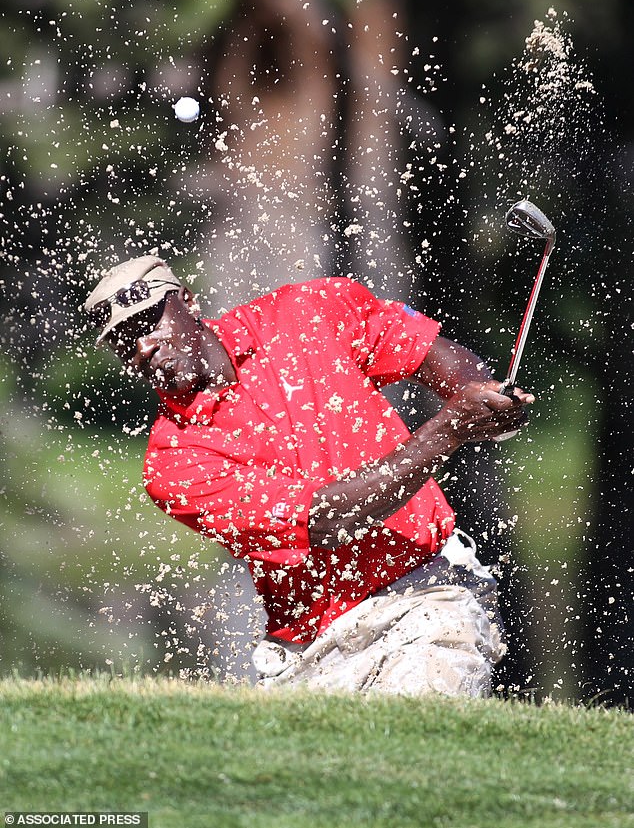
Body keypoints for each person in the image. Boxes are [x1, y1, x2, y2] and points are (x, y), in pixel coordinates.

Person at [84, 255, 534, 696]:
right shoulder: (173, 463)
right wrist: (449, 429)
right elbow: (329, 521)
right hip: (307, 649)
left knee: (413, 745)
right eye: (123, 341)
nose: (142, 347)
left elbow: (435, 356)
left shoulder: (306, 311)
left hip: (424, 594)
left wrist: (487, 400)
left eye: (148, 322)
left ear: (189, 301)